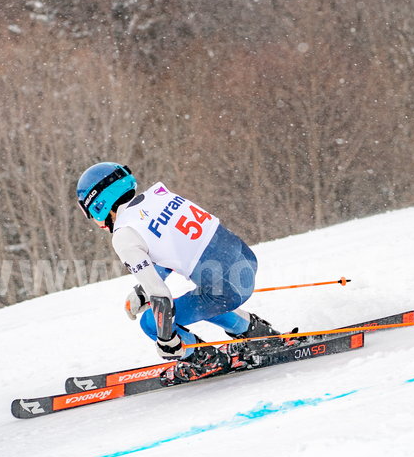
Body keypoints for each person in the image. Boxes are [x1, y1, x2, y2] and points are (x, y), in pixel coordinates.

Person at [76, 162, 284, 382]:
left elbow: (160, 297)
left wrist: (168, 341)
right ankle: (255, 331)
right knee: (203, 295)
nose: (94, 221)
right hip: (246, 261)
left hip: (227, 291)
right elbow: (171, 251)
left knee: (150, 322)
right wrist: (141, 290)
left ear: (98, 204)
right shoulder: (160, 196)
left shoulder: (124, 235)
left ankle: (203, 360)